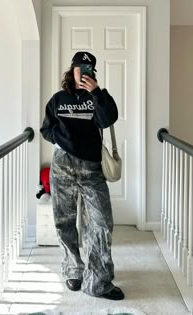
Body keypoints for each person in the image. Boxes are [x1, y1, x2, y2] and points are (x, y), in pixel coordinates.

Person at [40, 51, 124, 300]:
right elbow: (46, 128)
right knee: (64, 221)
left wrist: (97, 92)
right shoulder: (57, 99)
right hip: (62, 165)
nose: (84, 73)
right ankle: (74, 270)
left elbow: (109, 119)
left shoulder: (98, 97)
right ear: (72, 70)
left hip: (91, 168)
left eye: (89, 69)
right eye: (80, 69)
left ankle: (98, 282)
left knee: (101, 224)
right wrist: (63, 141)